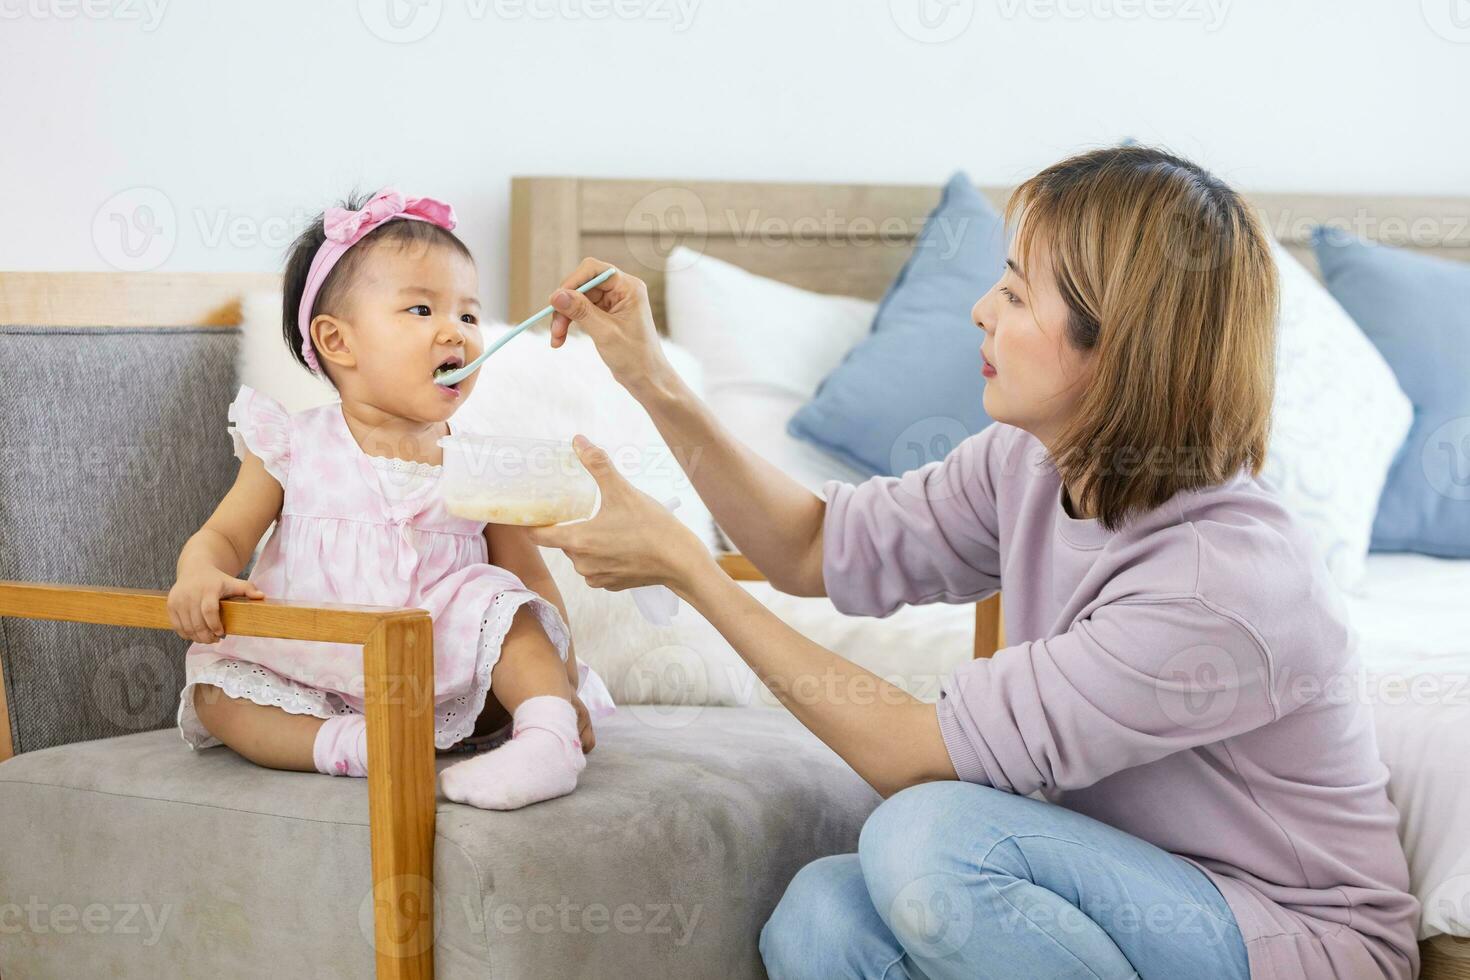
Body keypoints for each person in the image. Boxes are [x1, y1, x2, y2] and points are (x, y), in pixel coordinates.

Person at [529, 146, 1420, 977]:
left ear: (1119, 345)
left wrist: (694, 571)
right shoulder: (1030, 464)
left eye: (1018, 293)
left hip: (1290, 938)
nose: (982, 310)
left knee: (935, 840)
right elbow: (809, 546)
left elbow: (922, 762)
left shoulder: (1222, 583)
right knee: (821, 915)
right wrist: (650, 377)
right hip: (1121, 890)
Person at [167, 187, 611, 811]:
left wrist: (562, 687)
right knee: (219, 693)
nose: (454, 332)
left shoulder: (480, 462)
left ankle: (548, 741)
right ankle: (355, 745)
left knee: (511, 610)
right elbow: (225, 537)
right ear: (337, 342)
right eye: (422, 310)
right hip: (309, 665)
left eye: (468, 314)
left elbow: (529, 579)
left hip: (443, 677)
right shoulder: (291, 443)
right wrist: (198, 572)